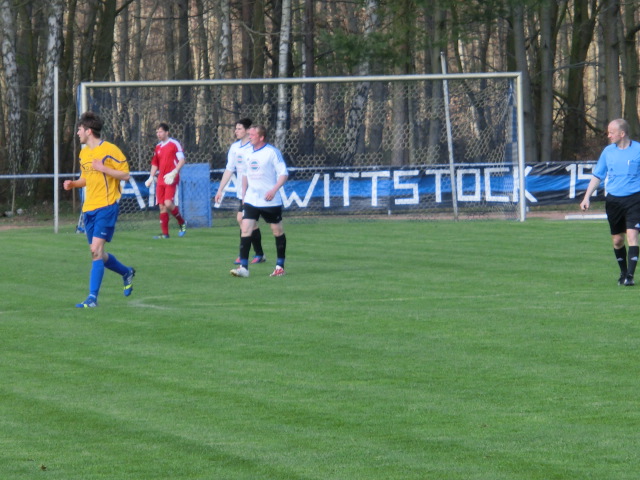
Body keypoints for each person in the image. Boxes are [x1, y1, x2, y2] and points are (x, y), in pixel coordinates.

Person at [63, 111, 135, 308]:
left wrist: (104, 168)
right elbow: (86, 178)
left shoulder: (110, 150)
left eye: (79, 129)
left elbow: (126, 175)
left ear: (88, 131)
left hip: (107, 206)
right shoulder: (84, 153)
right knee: (97, 253)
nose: (77, 133)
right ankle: (126, 272)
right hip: (89, 209)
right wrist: (74, 184)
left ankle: (92, 298)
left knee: (96, 250)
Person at [580, 118, 640, 286]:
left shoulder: (638, 150)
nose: (608, 135)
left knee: (632, 235)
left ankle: (630, 276)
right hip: (613, 201)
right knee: (617, 240)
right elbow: (597, 175)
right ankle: (623, 272)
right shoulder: (608, 152)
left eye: (611, 132)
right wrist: (586, 197)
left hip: (635, 199)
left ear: (622, 133)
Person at [230, 125, 289, 278]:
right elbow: (245, 175)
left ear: (261, 137)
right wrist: (244, 196)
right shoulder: (247, 152)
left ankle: (280, 266)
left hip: (270, 200)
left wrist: (274, 190)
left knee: (277, 231)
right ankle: (244, 268)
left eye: (252, 135)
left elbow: (283, 174)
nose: (249, 137)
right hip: (252, 199)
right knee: (245, 228)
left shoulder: (272, 152)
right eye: (249, 134)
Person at [214, 118, 266, 265]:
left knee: (243, 220)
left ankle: (245, 255)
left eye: (239, 129)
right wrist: (220, 189)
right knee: (247, 222)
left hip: (253, 190)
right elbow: (229, 169)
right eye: (235, 128)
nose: (236, 131)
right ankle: (259, 254)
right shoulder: (235, 147)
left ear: (248, 131)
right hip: (241, 191)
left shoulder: (253, 147)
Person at [145, 123, 187, 239]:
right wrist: (151, 177)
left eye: (160, 131)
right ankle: (165, 234)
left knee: (168, 203)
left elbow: (182, 160)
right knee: (162, 206)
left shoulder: (174, 144)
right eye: (157, 132)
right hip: (161, 179)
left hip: (171, 178)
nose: (158, 134)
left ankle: (182, 222)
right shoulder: (158, 147)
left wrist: (174, 172)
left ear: (167, 132)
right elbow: (155, 164)